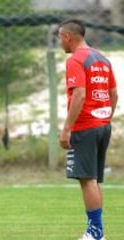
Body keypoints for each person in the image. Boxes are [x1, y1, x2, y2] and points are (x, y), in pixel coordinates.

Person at [57, 19, 118, 240]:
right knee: (93, 179)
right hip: (103, 125)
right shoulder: (101, 57)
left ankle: (95, 232)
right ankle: (96, 230)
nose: (59, 42)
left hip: (86, 126)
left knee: (87, 179)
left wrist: (66, 129)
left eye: (59, 38)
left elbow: (80, 94)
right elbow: (114, 94)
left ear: (67, 37)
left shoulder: (76, 60)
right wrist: (104, 118)